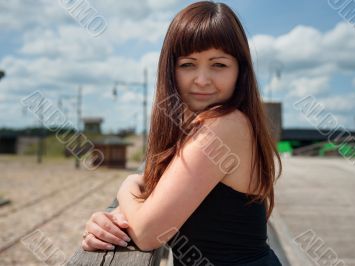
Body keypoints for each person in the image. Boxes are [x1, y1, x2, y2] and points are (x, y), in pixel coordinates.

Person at [82, 1, 282, 265]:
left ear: (240, 71)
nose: (202, 79)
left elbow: (148, 233)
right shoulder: (194, 128)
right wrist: (107, 222)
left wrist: (127, 184)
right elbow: (155, 205)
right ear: (171, 70)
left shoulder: (224, 126)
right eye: (188, 64)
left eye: (219, 65)